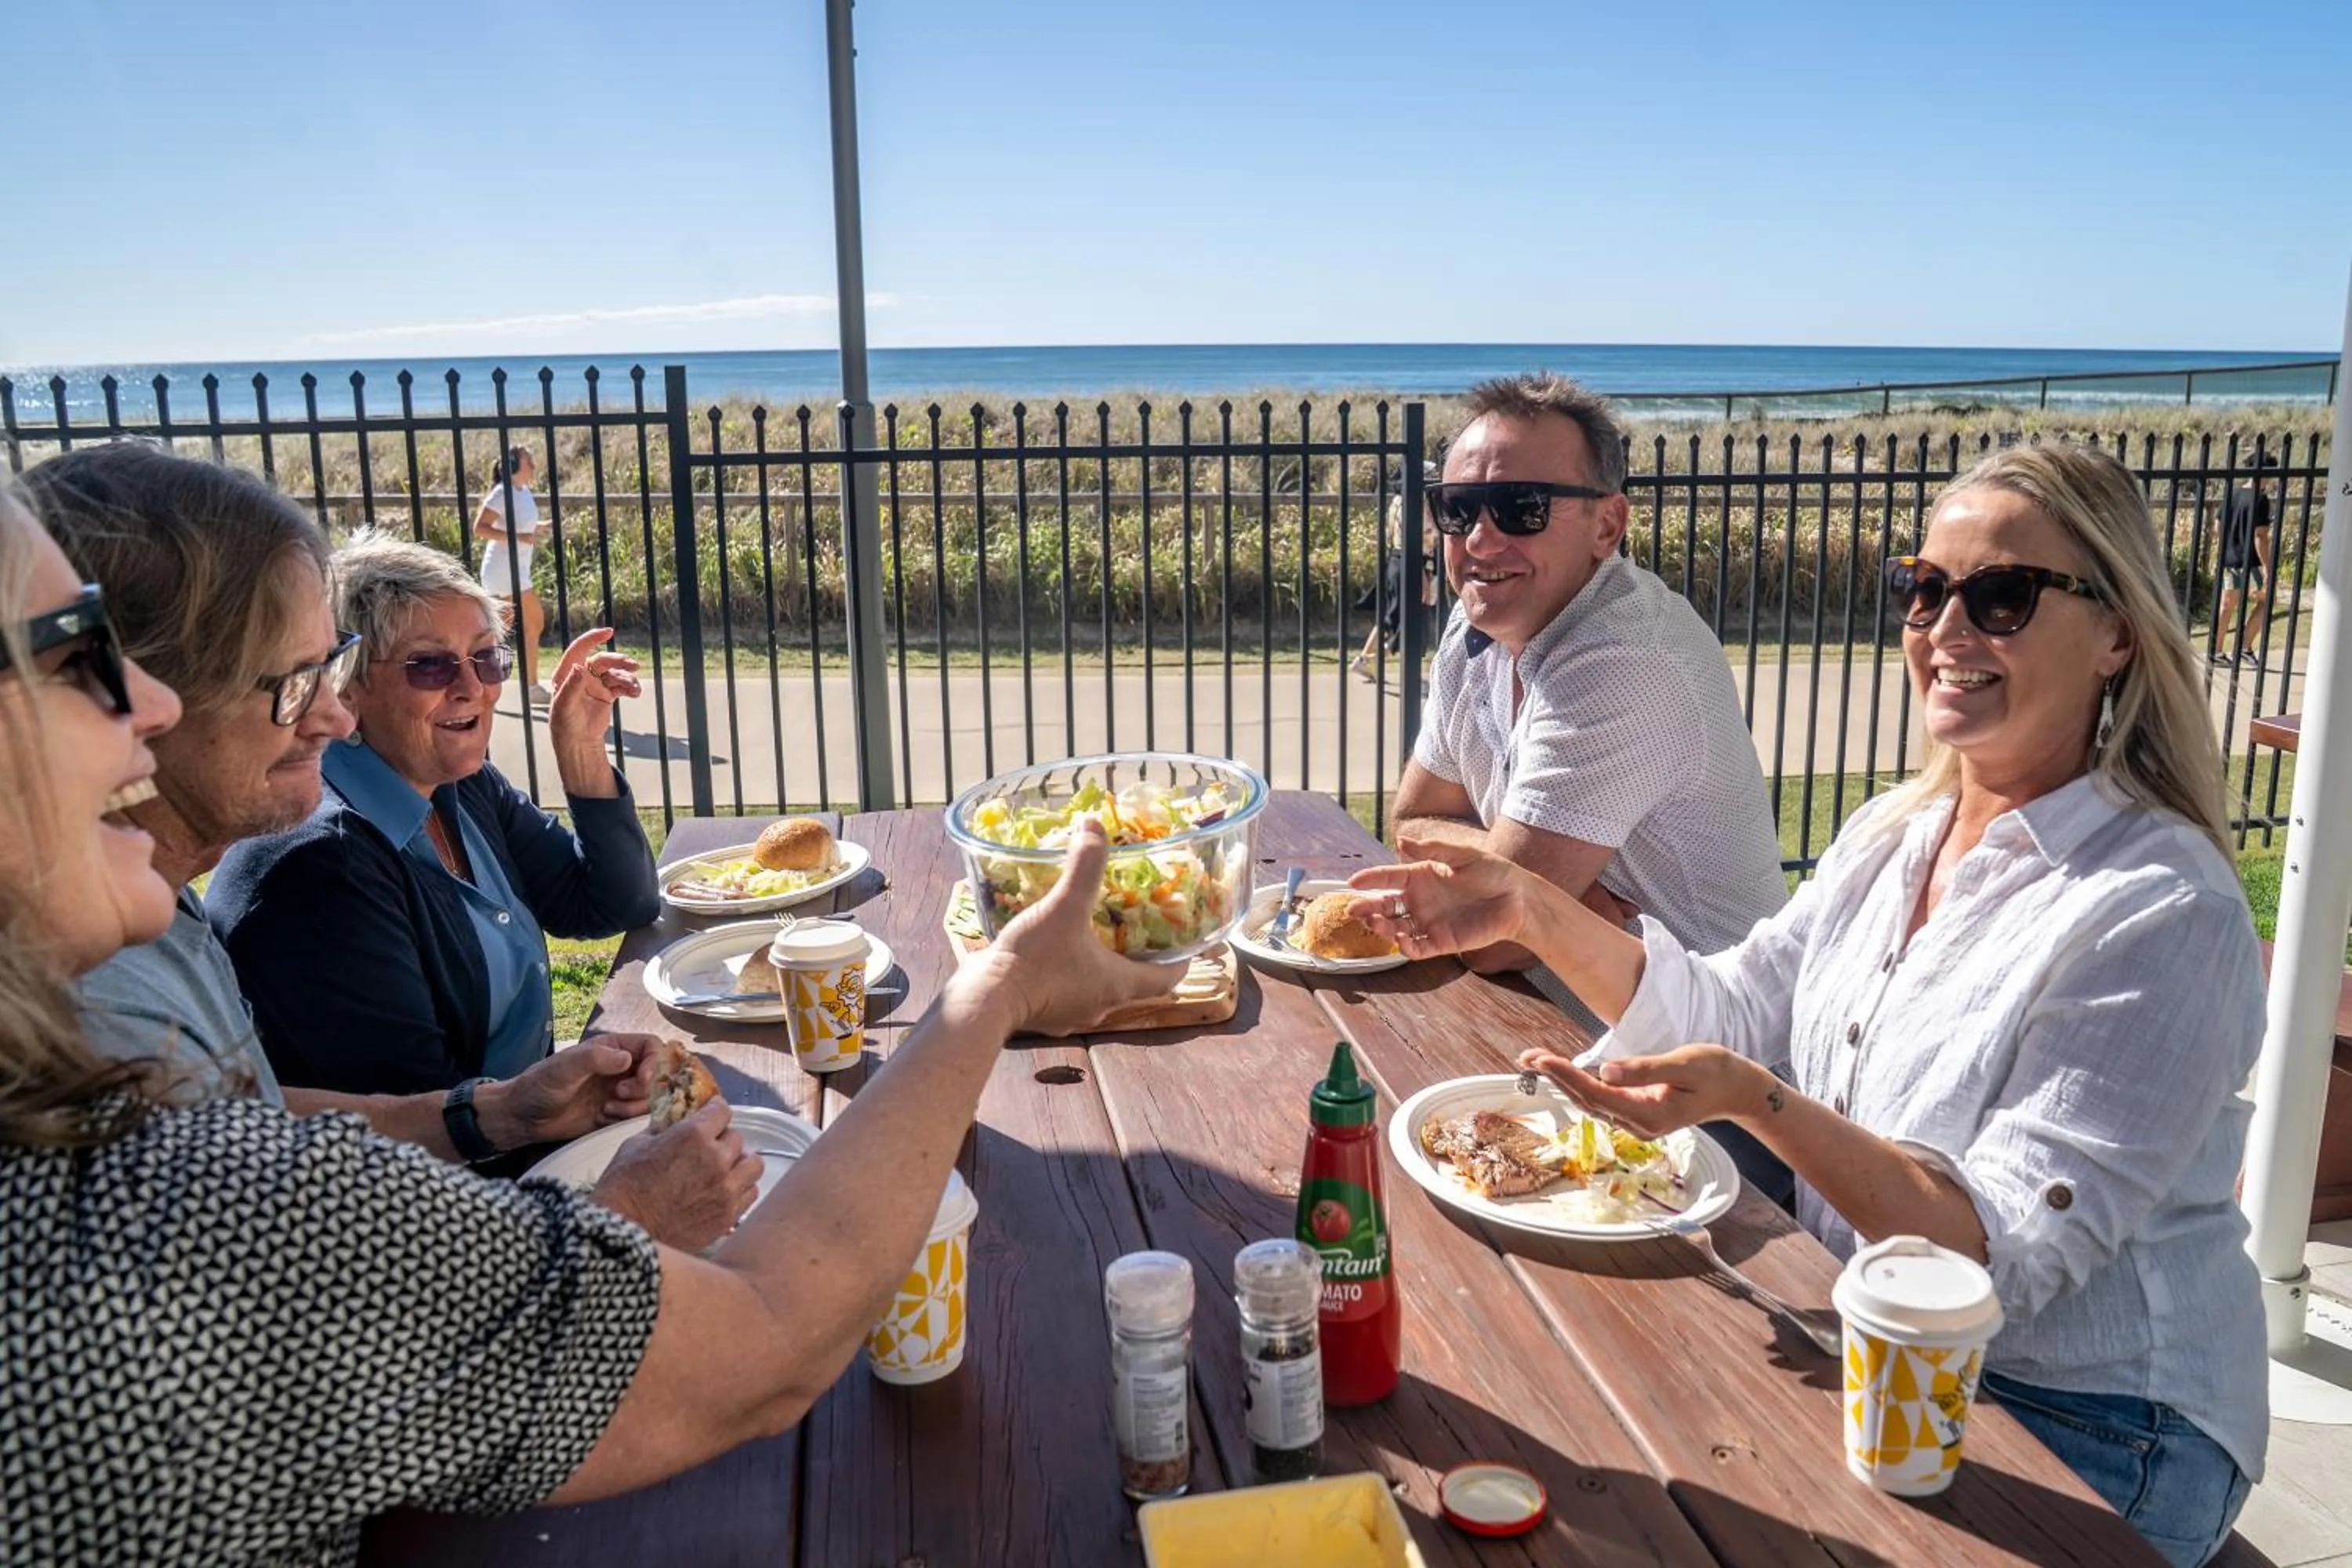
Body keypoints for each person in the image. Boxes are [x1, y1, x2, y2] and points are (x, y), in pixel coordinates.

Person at [0, 482, 1179, 1566]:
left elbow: (255, 1105)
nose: (141, 709)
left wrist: (489, 1109)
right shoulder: (175, 1220)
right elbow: (764, 1345)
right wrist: (1000, 990)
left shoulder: (136, 975)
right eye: (79, 662)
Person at [1351, 442, 2265, 1566]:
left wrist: (1759, 1102)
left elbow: (1992, 1259)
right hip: (1866, 1334)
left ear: (2118, 633)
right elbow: (1730, 1007)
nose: (1945, 630)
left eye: (2003, 595)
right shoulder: (1896, 834)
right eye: (1923, 590)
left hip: (2094, 1425)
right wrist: (1532, 912)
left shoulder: (2159, 911)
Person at [20, 443, 748, 1246]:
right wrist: (622, 1220)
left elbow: (247, 1121)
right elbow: (318, 1255)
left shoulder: (153, 924)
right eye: (295, 681)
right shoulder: (292, 878)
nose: (328, 717)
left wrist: (499, 1110)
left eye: (488, 656)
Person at [1393, 372, 1795, 1202]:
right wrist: (1554, 894)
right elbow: (1412, 823)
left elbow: (1494, 933)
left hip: (1710, 1101)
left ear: (1607, 524)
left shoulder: (1623, 660)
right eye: (1458, 508)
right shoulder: (1478, 624)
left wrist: (1517, 892)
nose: (1481, 536)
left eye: (1522, 508)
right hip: (1559, 1021)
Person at [211, 530, 663, 1098]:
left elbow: (613, 902)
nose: (472, 687)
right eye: (429, 665)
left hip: (527, 1136)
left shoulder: (458, 786)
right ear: (346, 688)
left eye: (486, 658)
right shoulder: (319, 868)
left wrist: (578, 747)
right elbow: (421, 1117)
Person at [1352, 461, 1441, 683]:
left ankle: (1364, 658)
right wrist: (1422, 573)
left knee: (1389, 618)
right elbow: (1418, 540)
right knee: (1409, 621)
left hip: (1396, 561)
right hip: (1413, 563)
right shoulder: (1417, 503)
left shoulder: (1397, 501)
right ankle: (1371, 661)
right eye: (1429, 475)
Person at [474, 444, 547, 702]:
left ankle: (482, 679)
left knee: (499, 631)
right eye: (529, 461)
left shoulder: (523, 491)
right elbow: (480, 528)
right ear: (515, 465)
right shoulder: (501, 493)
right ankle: (531, 688)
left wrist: (537, 528)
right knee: (533, 621)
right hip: (504, 569)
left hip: (516, 569)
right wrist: (519, 537)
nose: (534, 466)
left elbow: (520, 525)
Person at [2213, 449, 2276, 669]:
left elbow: (2218, 525)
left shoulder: (2233, 493)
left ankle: (2217, 650)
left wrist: (2226, 546)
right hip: (2251, 563)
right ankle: (2244, 646)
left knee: (2226, 606)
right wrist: (2268, 566)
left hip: (2230, 559)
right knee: (2266, 600)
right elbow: (2260, 536)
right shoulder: (2261, 499)